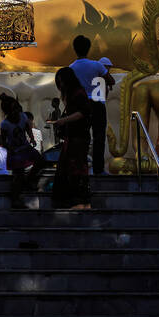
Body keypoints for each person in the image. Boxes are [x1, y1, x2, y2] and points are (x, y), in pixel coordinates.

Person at [68, 35, 112, 176]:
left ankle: (81, 168)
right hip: (96, 103)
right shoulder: (96, 65)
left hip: (79, 106)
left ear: (74, 49)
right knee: (99, 137)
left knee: (81, 137)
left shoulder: (71, 68)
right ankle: (98, 169)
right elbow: (110, 80)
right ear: (89, 48)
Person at [51, 66, 92, 209]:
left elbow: (83, 112)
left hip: (78, 137)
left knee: (75, 167)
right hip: (74, 136)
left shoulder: (78, 93)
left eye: (61, 82)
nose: (60, 85)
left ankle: (80, 201)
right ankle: (77, 200)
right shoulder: (73, 93)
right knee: (69, 166)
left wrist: (64, 120)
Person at [0, 93, 46, 206]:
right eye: (12, 111)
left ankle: (29, 180)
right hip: (15, 152)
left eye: (16, 110)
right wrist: (8, 148)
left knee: (41, 160)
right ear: (7, 112)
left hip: (25, 148)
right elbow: (3, 141)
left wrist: (32, 138)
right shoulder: (5, 124)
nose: (15, 113)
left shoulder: (23, 117)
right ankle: (15, 199)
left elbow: (27, 128)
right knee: (18, 176)